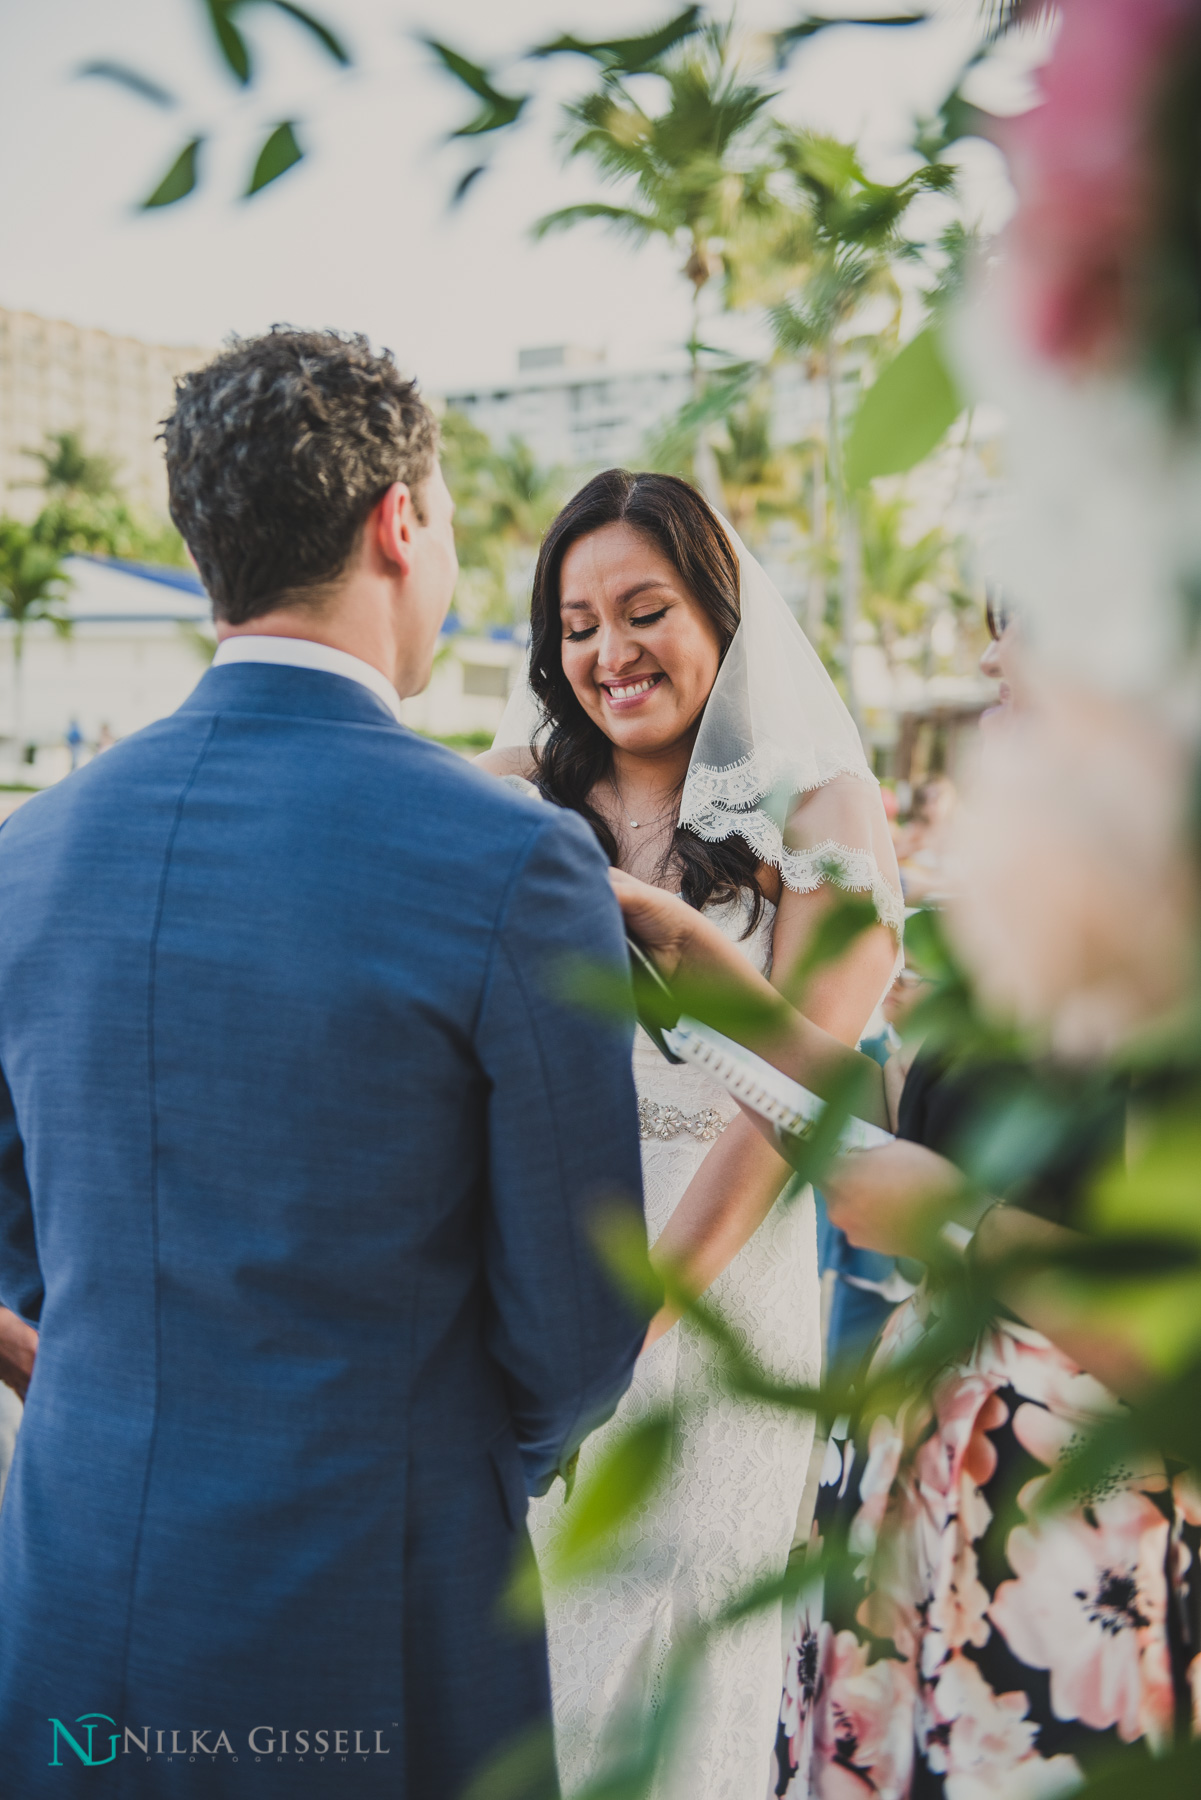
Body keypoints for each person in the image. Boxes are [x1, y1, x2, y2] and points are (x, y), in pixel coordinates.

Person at [0, 328, 650, 1798]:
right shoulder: (512, 863)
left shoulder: (23, 857)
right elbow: (578, 1330)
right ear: (398, 521)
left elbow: (21, 1228)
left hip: (73, 1583)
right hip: (375, 1611)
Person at [610, 593, 1201, 1794]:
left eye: (1027, 614)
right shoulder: (1061, 909)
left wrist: (953, 1223)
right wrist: (719, 983)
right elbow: (905, 1133)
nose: (992, 650)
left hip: (1071, 1549)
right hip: (929, 1505)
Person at [478, 468, 902, 1799]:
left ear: (720, 612)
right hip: (522, 1301)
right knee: (529, 1672)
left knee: (681, 1676)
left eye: (644, 609)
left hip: (712, 1314)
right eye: (577, 623)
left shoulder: (821, 819)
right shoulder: (511, 803)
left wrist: (632, 1329)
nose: (609, 653)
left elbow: (787, 1107)